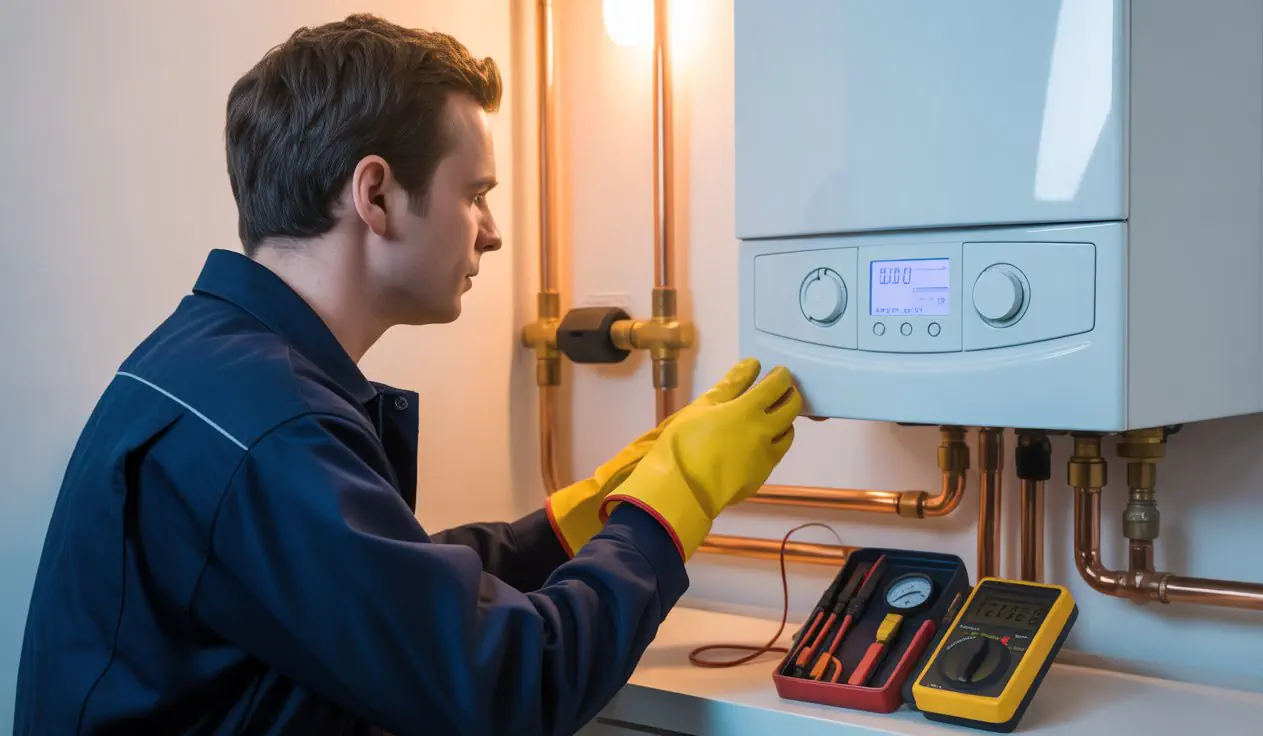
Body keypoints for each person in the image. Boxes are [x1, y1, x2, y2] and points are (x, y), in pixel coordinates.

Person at [13, 13, 801, 736]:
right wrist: (670, 507)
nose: (491, 235)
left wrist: (581, 520)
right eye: (476, 194)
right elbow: (507, 688)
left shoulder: (217, 367)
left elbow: (376, 593)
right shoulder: (270, 429)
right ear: (377, 194)